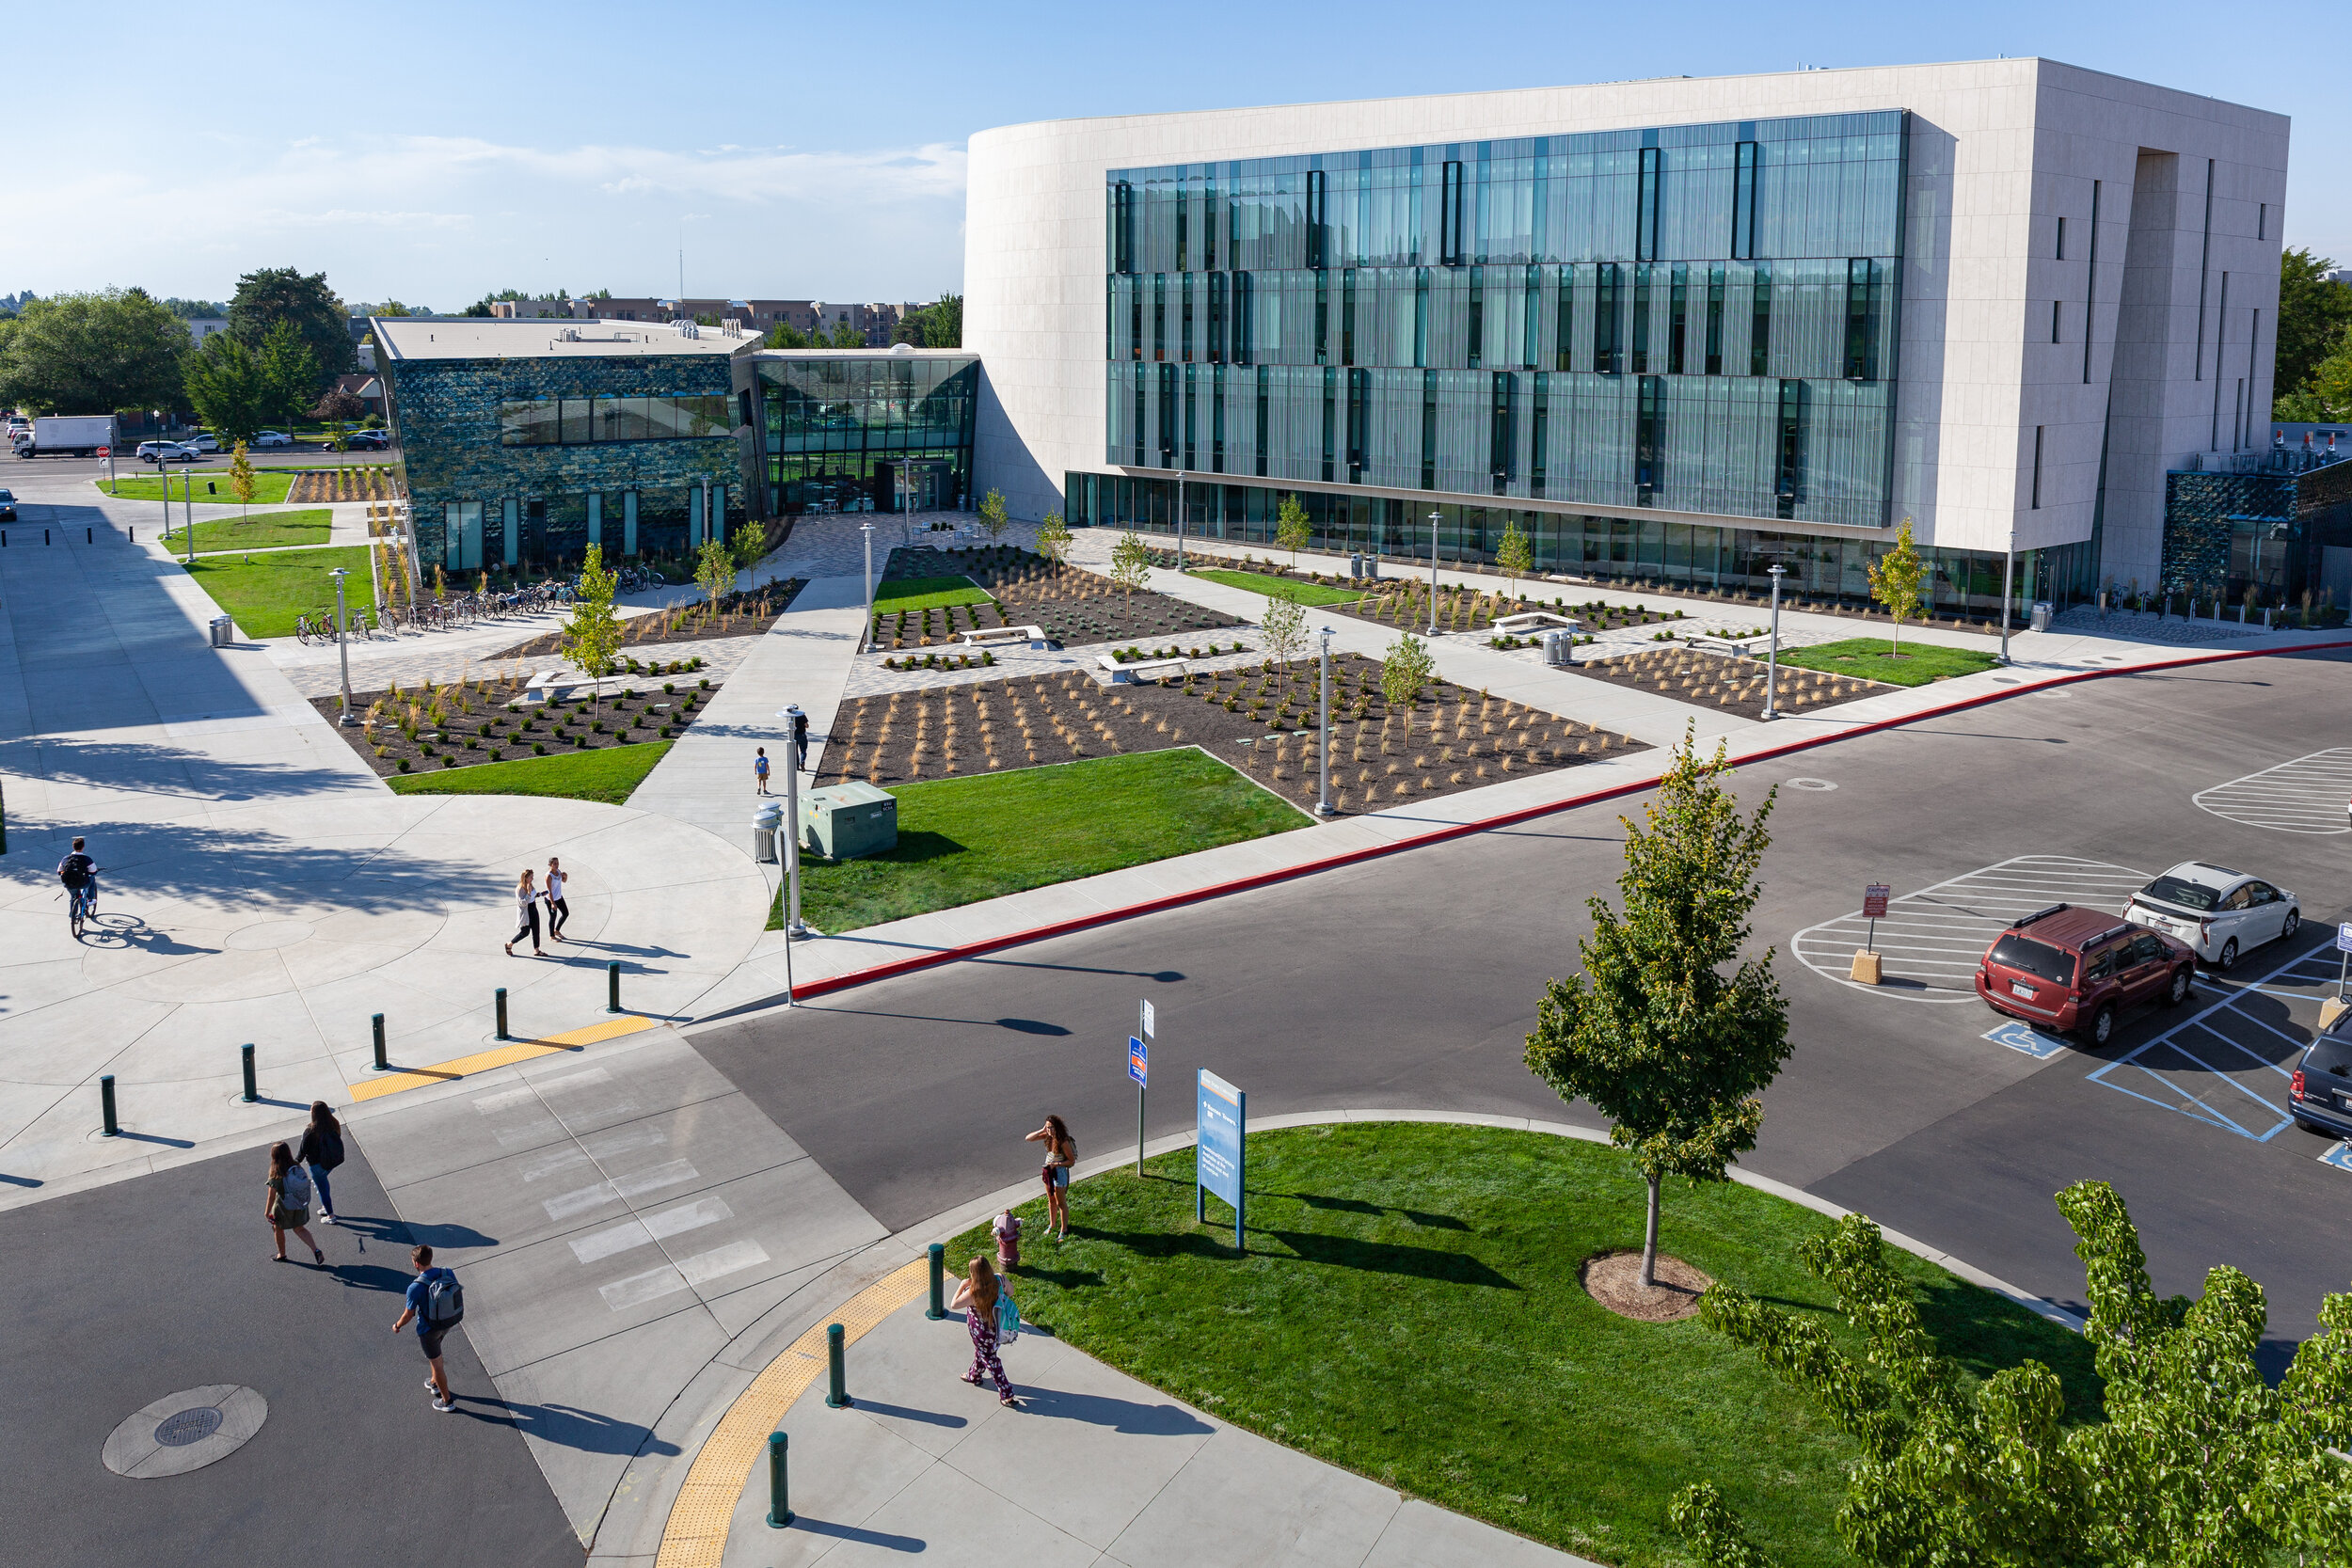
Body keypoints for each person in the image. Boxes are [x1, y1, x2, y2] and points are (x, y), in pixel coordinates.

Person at [391, 1244, 463, 1413]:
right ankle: (434, 1383)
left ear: (416, 1264)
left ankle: (447, 1401)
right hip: (447, 1323)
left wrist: (397, 1326)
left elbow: (408, 1315)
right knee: (435, 1356)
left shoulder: (415, 1287)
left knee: (437, 1364)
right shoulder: (447, 1273)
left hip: (428, 1330)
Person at [950, 1256, 1019, 1407]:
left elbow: (954, 1305)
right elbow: (1011, 1292)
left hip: (981, 1334)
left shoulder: (973, 1292)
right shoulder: (999, 1280)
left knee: (991, 1360)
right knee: (983, 1353)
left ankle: (1007, 1394)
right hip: (998, 1328)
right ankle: (974, 1375)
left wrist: (962, 1285)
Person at [265, 1142, 326, 1265]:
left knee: (278, 1228)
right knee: (299, 1228)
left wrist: (267, 1212)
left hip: (283, 1207)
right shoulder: (296, 1166)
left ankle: (281, 1254)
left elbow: (271, 1196)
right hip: (299, 1203)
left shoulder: (276, 1173)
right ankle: (316, 1250)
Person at [1025, 1115, 1075, 1240]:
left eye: (1052, 1127)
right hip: (1049, 1171)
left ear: (1057, 1127)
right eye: (1048, 1127)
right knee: (1051, 1200)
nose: (1050, 1130)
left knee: (1060, 1203)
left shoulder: (1063, 1141)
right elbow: (1028, 1139)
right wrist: (1042, 1130)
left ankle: (1064, 1230)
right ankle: (1052, 1225)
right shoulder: (1047, 1136)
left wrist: (1056, 1164)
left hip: (1060, 1172)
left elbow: (1071, 1161)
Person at [295, 1101, 346, 1226]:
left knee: (322, 1189)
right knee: (323, 1183)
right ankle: (325, 1206)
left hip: (317, 1165)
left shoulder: (310, 1131)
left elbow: (303, 1150)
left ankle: (331, 1216)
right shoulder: (334, 1124)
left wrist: (294, 1163)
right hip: (331, 1163)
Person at [57, 836, 98, 921]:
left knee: (74, 897)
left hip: (69, 884)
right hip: (83, 883)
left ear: (73, 847)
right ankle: (90, 899)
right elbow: (93, 871)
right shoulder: (87, 859)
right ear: (83, 847)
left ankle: (73, 915)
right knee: (92, 878)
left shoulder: (66, 858)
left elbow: (59, 871)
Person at [505, 868, 542, 957]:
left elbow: (532, 896)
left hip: (534, 908)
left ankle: (536, 950)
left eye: (532, 876)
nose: (532, 879)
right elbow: (522, 903)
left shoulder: (530, 884)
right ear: (525, 878)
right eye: (531, 877)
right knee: (525, 932)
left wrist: (538, 895)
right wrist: (529, 893)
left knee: (536, 930)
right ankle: (509, 944)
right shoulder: (520, 889)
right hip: (526, 912)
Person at [543, 857, 570, 943]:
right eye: (554, 863)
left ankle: (557, 930)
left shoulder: (558, 872)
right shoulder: (549, 876)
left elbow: (564, 881)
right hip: (551, 899)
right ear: (550, 864)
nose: (556, 865)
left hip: (559, 897)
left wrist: (565, 876)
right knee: (553, 917)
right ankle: (552, 935)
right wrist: (552, 903)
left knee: (566, 913)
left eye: (557, 863)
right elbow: (549, 890)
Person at [993, 1208, 1023, 1274]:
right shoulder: (1012, 1221)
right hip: (1012, 1239)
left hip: (1007, 1240)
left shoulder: (1001, 1226)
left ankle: (1007, 1266)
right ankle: (1012, 1265)